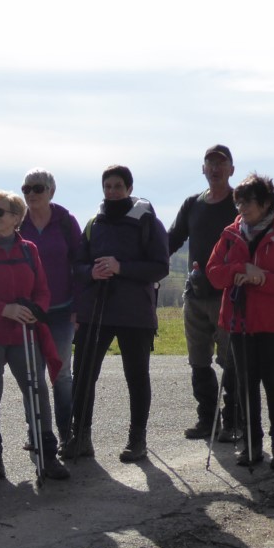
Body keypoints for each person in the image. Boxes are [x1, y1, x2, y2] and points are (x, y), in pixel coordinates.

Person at [0, 190, 69, 481]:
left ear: (17, 218)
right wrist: (4, 310)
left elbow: (42, 290)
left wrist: (36, 311)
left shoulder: (29, 250)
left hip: (23, 331)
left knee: (36, 389)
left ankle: (46, 453)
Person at [206, 174, 274, 471]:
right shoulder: (230, 234)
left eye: (247, 201)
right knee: (245, 385)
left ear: (265, 203)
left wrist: (260, 278)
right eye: (238, 201)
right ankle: (251, 447)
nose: (241, 207)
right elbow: (214, 273)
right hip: (238, 321)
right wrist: (241, 268)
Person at [68, 165, 169, 463]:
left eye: (117, 186)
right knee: (84, 376)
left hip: (135, 314)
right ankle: (81, 437)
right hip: (95, 311)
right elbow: (77, 266)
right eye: (107, 186)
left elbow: (160, 266)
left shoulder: (149, 222)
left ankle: (137, 440)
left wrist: (121, 267)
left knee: (136, 377)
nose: (112, 191)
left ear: (129, 187)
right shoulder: (93, 224)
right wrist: (92, 272)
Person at [167, 144, 241, 442]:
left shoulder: (240, 205)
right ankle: (206, 421)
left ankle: (233, 421)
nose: (215, 168)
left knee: (231, 362)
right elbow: (171, 240)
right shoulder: (192, 205)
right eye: (210, 163)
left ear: (231, 170)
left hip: (230, 297)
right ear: (203, 169)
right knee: (199, 360)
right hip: (196, 294)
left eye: (221, 164)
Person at [18, 168, 82, 452]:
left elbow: (80, 266)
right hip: (29, 312)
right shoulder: (18, 222)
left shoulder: (65, 222)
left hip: (61, 310)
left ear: (51, 192)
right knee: (32, 375)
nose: (31, 194)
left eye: (38, 188)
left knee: (61, 375)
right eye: (26, 188)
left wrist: (79, 307)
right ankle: (38, 434)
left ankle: (68, 434)